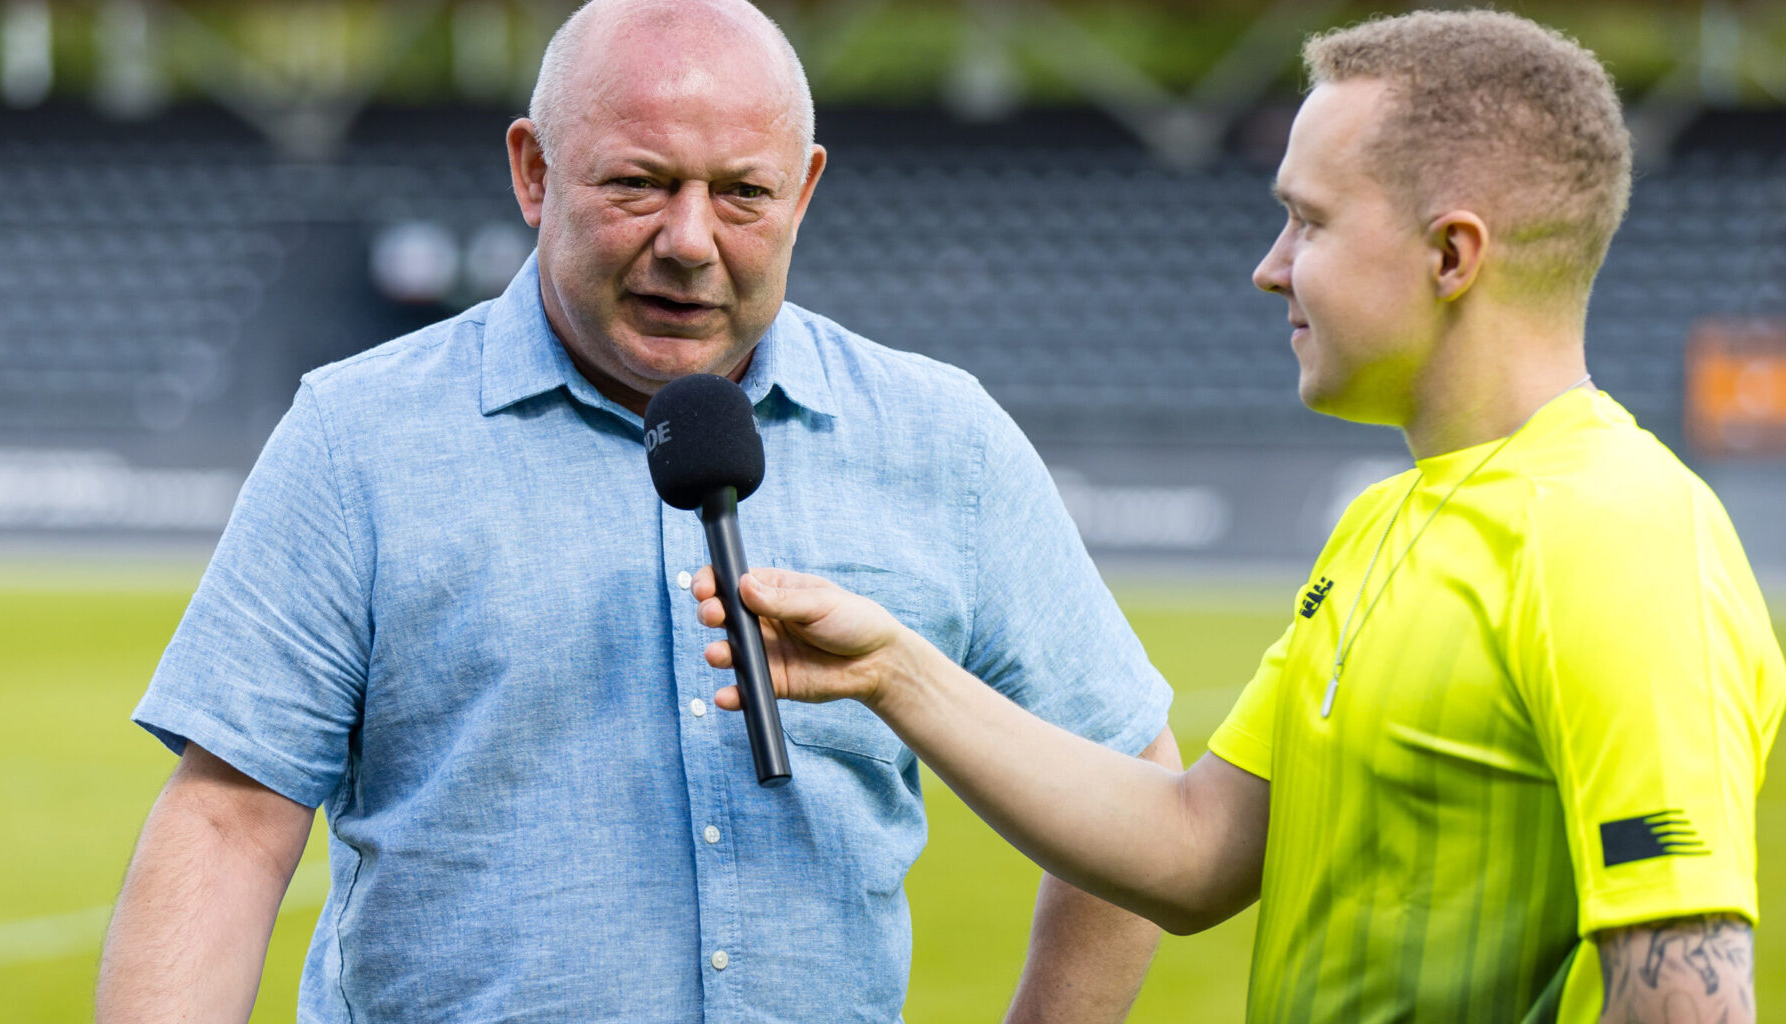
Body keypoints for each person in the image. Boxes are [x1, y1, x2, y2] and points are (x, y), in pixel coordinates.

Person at [692, 10, 1785, 1023]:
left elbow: (1691, 992)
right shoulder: (1387, 521)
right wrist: (896, 670)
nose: (1269, 271)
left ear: (1452, 255)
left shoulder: (1624, 539)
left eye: (1307, 222)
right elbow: (1195, 848)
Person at [96, 1, 1179, 1021]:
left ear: (804, 190)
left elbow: (1133, 786)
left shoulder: (944, 440)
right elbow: (229, 822)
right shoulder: (358, 439)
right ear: (533, 171)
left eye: (743, 194)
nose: (691, 240)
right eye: (641, 184)